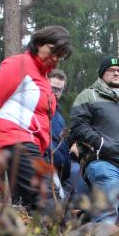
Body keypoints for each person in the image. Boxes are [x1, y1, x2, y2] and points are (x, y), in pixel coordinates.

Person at [0, 26, 71, 214]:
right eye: (53, 51)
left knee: (27, 207)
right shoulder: (19, 64)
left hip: (34, 146)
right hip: (15, 138)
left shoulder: (44, 79)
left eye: (60, 55)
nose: (55, 58)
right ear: (38, 43)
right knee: (50, 199)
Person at [69, 56, 119, 224]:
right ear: (101, 74)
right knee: (106, 216)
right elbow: (78, 125)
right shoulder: (89, 95)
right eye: (111, 70)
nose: (116, 73)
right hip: (103, 163)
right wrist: (100, 143)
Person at [45, 69, 71, 197]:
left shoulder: (59, 117)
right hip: (44, 167)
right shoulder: (39, 109)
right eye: (53, 88)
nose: (55, 93)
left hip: (60, 172)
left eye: (59, 90)